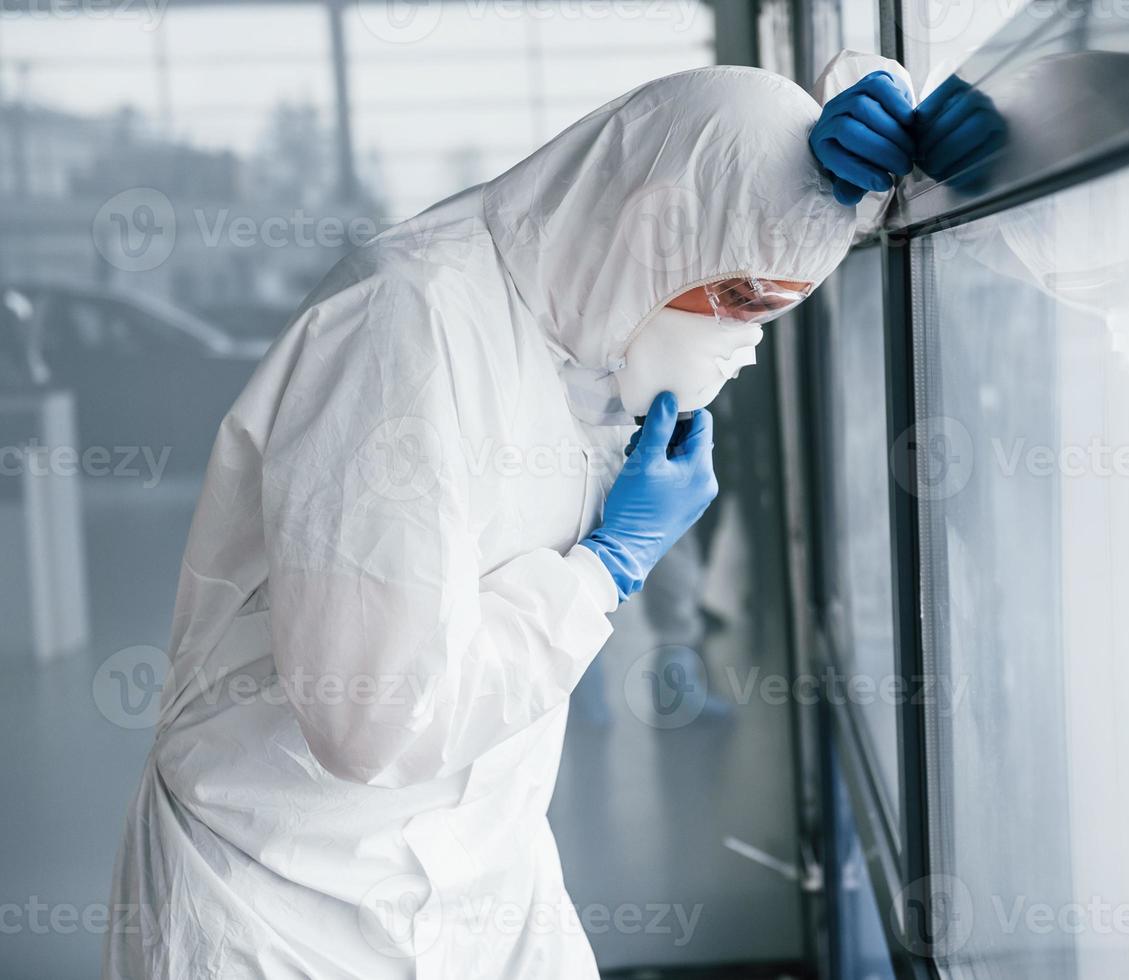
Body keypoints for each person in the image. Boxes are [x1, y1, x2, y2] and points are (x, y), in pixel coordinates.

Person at [103, 59, 919, 979]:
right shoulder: (405, 319)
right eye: (741, 302)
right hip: (278, 894)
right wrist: (605, 569)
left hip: (481, 870)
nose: (746, 346)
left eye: (775, 312)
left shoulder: (586, 333)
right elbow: (377, 718)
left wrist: (891, 125)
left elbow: (744, 217)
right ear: (654, 230)